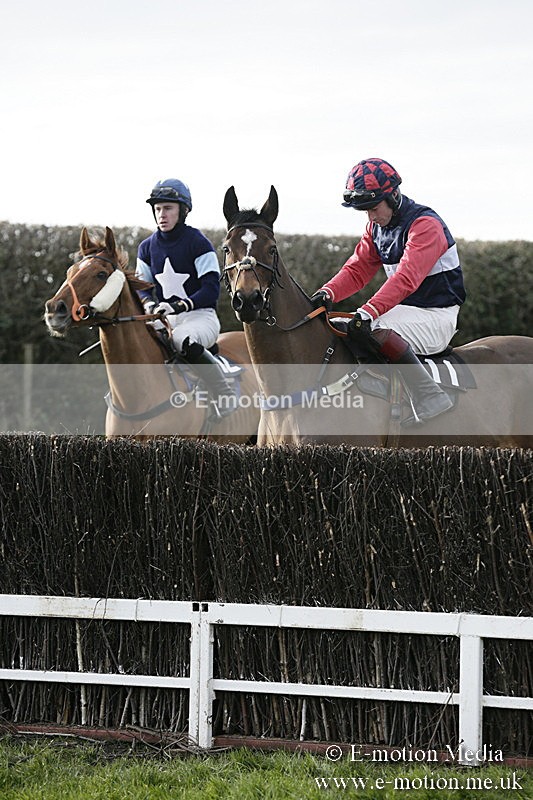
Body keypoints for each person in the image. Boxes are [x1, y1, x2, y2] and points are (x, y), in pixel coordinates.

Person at [311, 158, 465, 425]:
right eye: (365, 211)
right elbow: (357, 270)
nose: (371, 217)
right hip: (404, 311)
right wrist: (328, 292)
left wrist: (368, 311)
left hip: (436, 316)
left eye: (373, 208)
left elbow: (406, 278)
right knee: (337, 325)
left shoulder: (425, 225)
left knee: (370, 329)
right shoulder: (376, 228)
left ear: (393, 196)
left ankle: (431, 396)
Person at [136, 178, 235, 417]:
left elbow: (211, 290)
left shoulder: (199, 243)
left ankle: (224, 392)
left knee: (180, 339)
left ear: (183, 211)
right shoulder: (146, 248)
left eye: (168, 208)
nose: (162, 214)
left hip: (201, 317)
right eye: (158, 209)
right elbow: (142, 288)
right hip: (164, 318)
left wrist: (178, 306)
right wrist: (150, 305)